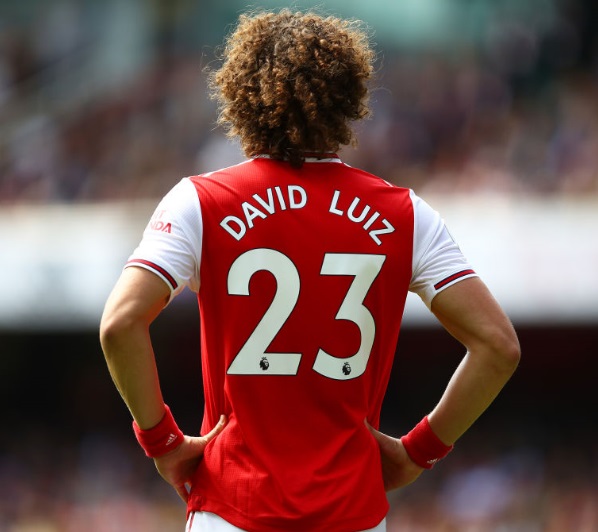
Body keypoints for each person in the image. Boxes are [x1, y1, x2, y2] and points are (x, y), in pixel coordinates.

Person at [99, 9, 520, 532]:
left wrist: (161, 440)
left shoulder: (200, 202)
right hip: (352, 511)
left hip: (232, 507)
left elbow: (120, 323)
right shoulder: (405, 215)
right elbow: (498, 346)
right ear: (348, 99)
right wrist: (419, 451)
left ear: (241, 94)